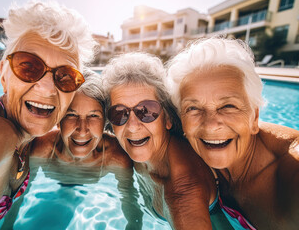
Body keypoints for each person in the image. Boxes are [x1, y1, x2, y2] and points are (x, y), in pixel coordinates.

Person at [0, 0, 96, 230]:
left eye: (65, 76)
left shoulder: (28, 135)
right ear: (3, 74)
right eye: (29, 66)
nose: (47, 88)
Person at [102, 52, 254, 230]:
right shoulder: (132, 149)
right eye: (119, 113)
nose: (133, 126)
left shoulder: (182, 192)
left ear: (168, 119)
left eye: (146, 111)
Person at [166, 37, 299, 229]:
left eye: (228, 106)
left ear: (255, 117)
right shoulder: (190, 151)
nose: (211, 125)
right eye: (193, 108)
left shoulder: (292, 174)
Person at [0, 68, 142, 229]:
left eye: (94, 116)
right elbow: (21, 194)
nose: (82, 129)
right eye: (71, 115)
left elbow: (130, 201)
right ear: (58, 120)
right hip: (56, 191)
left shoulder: (116, 157)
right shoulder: (43, 149)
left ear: (105, 122)